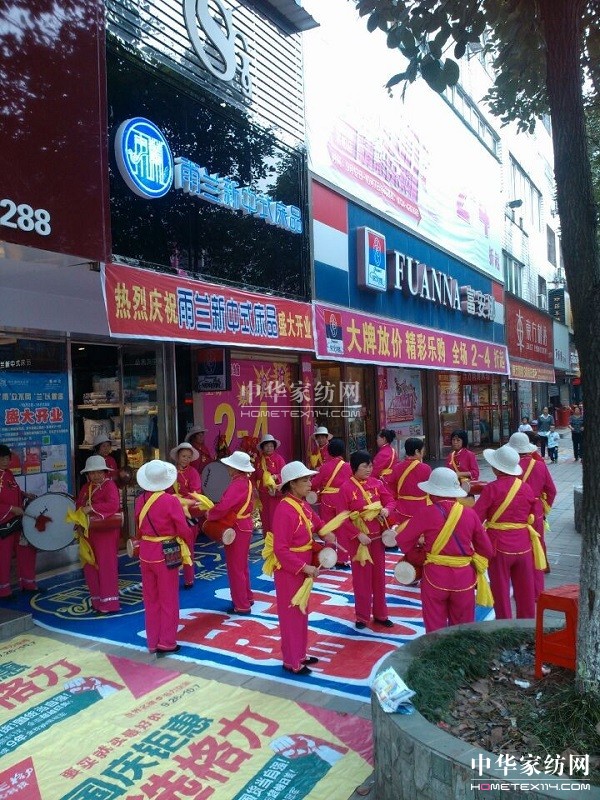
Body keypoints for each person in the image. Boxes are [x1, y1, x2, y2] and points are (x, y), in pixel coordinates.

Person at [394, 468, 493, 633]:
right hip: (464, 578)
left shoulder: (425, 513)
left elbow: (403, 540)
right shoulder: (470, 514)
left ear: (432, 492)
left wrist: (419, 556)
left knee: (435, 627)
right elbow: (487, 550)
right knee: (462, 629)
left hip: (435, 576)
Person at [270, 461, 335, 675]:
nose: (310, 484)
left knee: (301, 611)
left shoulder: (302, 504)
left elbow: (317, 523)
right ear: (292, 484)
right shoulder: (284, 510)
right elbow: (280, 549)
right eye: (305, 480)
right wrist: (304, 567)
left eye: (309, 479)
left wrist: (328, 533)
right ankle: (291, 661)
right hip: (291, 570)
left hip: (303, 564)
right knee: (291, 615)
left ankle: (300, 654)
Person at [473, 444, 543, 619]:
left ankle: (504, 626)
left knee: (500, 590)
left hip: (499, 546)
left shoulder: (491, 488)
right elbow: (534, 514)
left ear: (497, 468)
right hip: (524, 544)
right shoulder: (526, 488)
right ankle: (526, 627)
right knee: (525, 590)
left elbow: (476, 518)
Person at [134, 460, 194, 655]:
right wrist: (189, 539)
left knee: (150, 599)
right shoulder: (170, 500)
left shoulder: (140, 500)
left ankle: (152, 642)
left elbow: (138, 527)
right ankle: (167, 642)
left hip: (146, 551)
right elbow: (183, 529)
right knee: (168, 599)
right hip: (166, 552)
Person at [335, 450, 396, 630]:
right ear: (354, 468)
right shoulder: (345, 488)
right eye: (364, 466)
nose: (369, 469)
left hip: (377, 539)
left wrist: (387, 510)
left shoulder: (377, 483)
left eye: (370, 465)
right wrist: (357, 534)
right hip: (359, 542)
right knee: (361, 580)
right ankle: (362, 616)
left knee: (379, 577)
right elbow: (342, 517)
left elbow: (391, 501)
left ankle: (381, 614)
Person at [204, 451, 255, 615]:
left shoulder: (237, 484)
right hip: (244, 525)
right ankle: (247, 597)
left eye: (229, 466)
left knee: (235, 567)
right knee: (242, 565)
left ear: (235, 468)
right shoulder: (246, 481)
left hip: (236, 527)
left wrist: (210, 513)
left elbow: (225, 506)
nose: (227, 468)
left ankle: (241, 605)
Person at [508, 432, 556, 599]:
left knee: (520, 551)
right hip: (535, 511)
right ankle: (537, 591)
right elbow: (551, 490)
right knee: (537, 548)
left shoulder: (510, 466)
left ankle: (521, 591)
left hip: (515, 512)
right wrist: (544, 508)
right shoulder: (540, 465)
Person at [75, 455, 122, 614]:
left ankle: (110, 603)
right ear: (88, 474)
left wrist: (91, 508)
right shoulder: (85, 488)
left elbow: (113, 505)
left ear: (104, 472)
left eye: (99, 472)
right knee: (90, 566)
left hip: (105, 533)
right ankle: (96, 600)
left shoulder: (110, 485)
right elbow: (79, 506)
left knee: (106, 566)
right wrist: (78, 523)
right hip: (89, 532)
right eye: (92, 472)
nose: (96, 475)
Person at [0, 443, 40, 598]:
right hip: (4, 524)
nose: (5, 461)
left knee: (26, 550)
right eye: (1, 458)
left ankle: (28, 583)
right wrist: (11, 509)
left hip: (17, 521)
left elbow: (13, 491)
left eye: (7, 458)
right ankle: (3, 590)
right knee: (3, 557)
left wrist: (24, 495)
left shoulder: (8, 474)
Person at [167, 442, 202, 589]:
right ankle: (172, 577)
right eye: (183, 456)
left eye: (188, 457)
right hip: (172, 512)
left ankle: (189, 578)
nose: (186, 459)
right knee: (172, 547)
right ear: (177, 456)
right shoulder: (170, 472)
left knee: (188, 547)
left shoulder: (193, 472)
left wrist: (181, 500)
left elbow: (196, 493)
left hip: (189, 513)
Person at [309, 438, 352, 523]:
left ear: (328, 451)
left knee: (328, 525)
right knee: (343, 524)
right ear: (342, 451)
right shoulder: (348, 466)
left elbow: (315, 484)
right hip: (344, 498)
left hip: (328, 499)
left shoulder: (325, 467)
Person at [390, 437, 431, 513]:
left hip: (402, 507)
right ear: (417, 451)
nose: (423, 454)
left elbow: (391, 489)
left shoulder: (396, 468)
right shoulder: (426, 468)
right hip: (421, 507)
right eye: (422, 451)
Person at [254, 434, 285, 535]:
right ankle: (267, 541)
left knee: (275, 519)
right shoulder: (258, 460)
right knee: (265, 519)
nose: (269, 448)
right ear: (262, 447)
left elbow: (285, 474)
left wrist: (276, 476)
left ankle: (277, 541)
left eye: (271, 446)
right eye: (267, 446)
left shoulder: (279, 459)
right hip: (262, 495)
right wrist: (254, 489)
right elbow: (253, 476)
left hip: (275, 494)